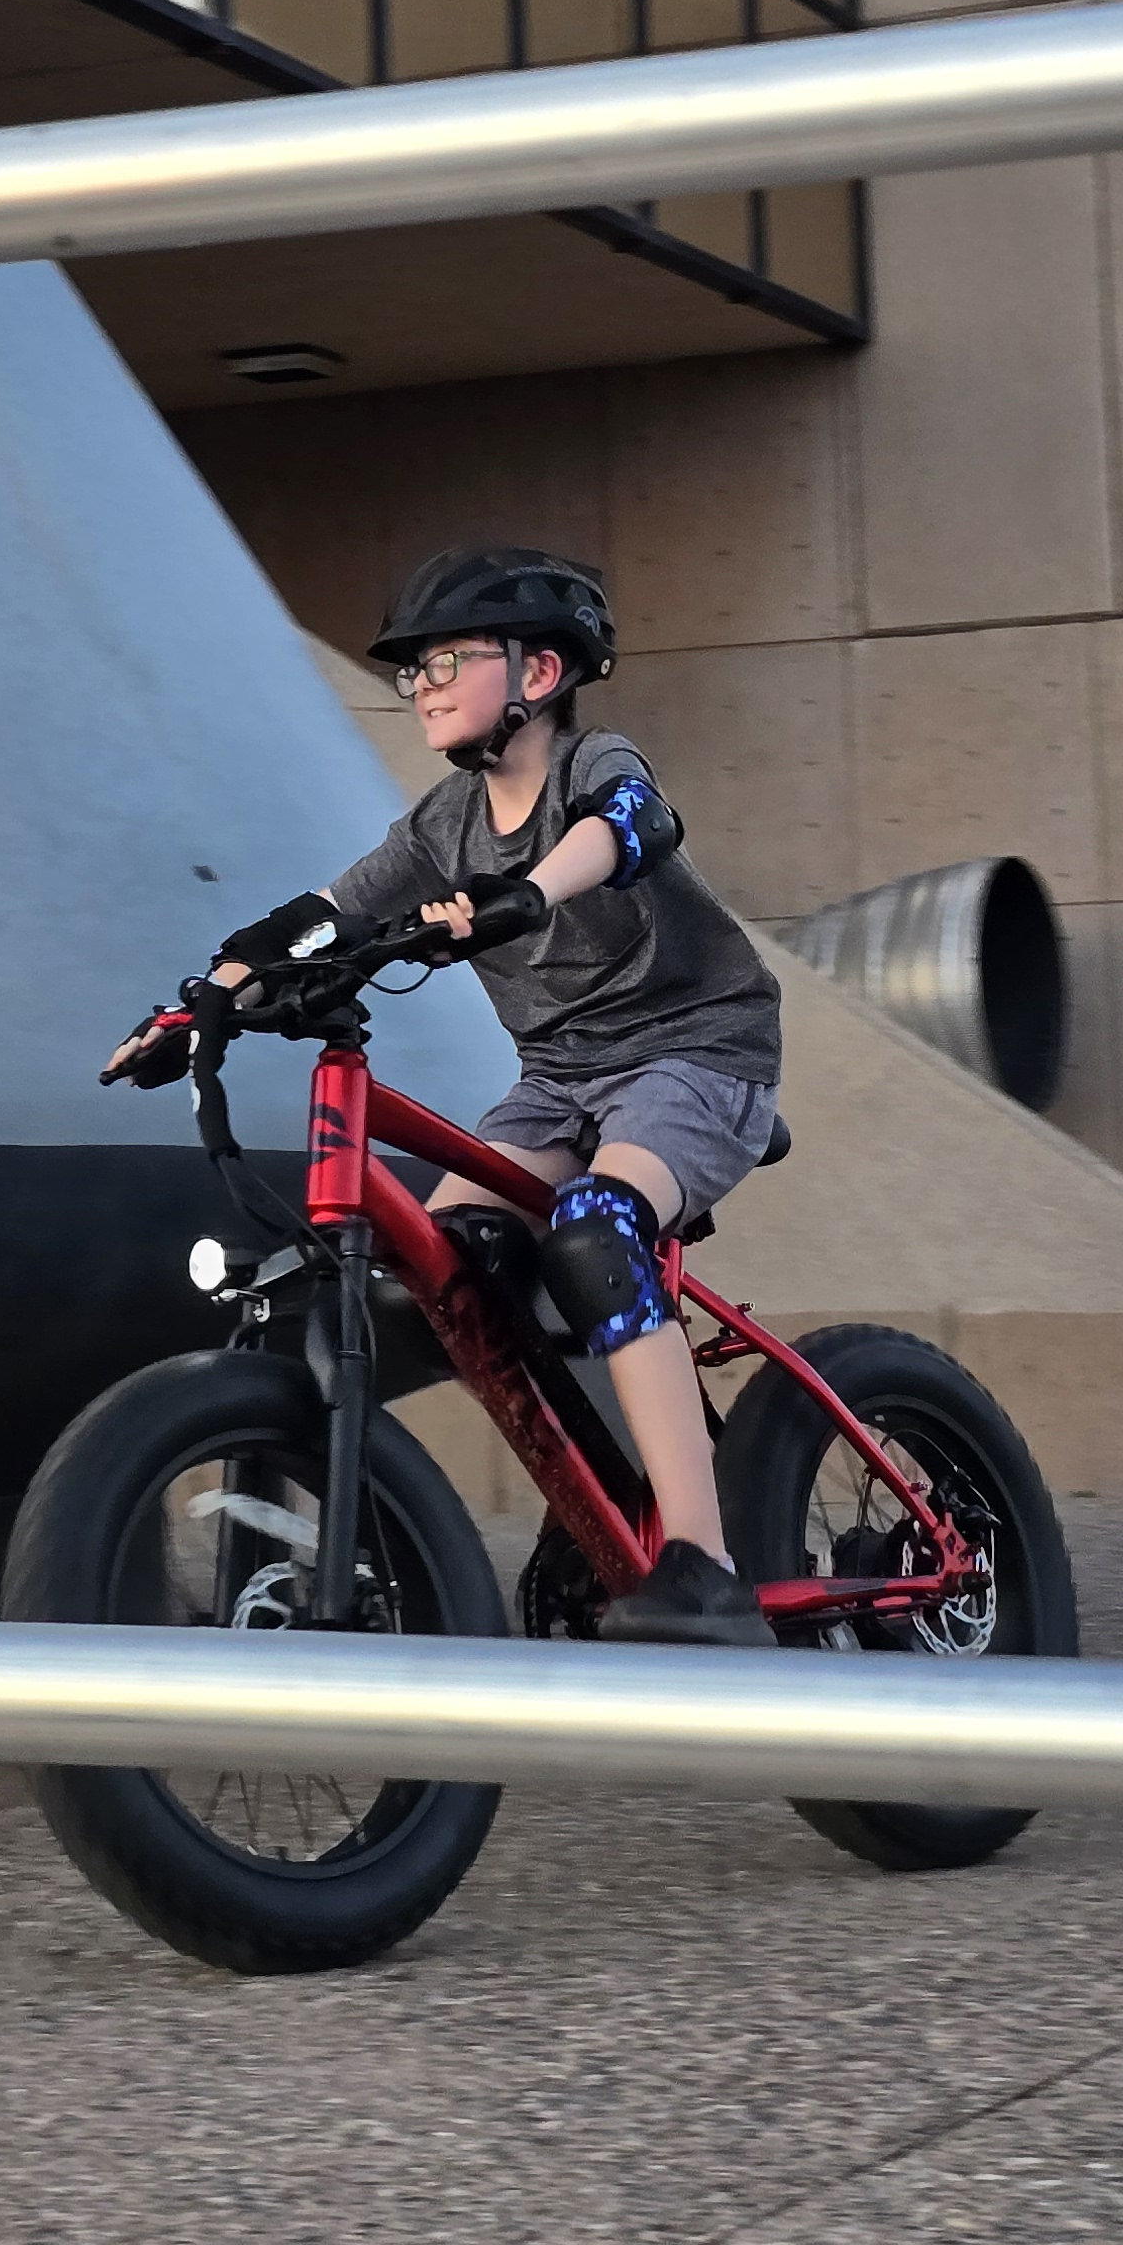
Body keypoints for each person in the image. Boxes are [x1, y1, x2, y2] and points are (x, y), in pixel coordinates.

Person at [168, 546, 786, 1647]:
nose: (426, 685)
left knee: (597, 1229)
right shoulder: (439, 826)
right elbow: (327, 910)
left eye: (449, 659)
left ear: (539, 672)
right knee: (443, 1272)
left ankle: (704, 1559)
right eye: (414, 672)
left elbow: (634, 825)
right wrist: (202, 1002)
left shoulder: (589, 765)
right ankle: (602, 1483)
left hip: (694, 1054)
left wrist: (524, 893)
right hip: (557, 1085)